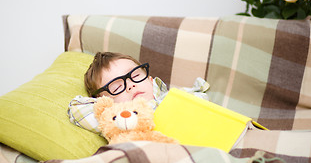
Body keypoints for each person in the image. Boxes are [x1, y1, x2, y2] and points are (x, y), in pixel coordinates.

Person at [68, 51, 209, 133]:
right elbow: (77, 109)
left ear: (150, 80)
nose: (130, 85)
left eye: (135, 76)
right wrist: (108, 109)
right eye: (116, 88)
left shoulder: (171, 97)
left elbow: (202, 102)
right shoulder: (119, 121)